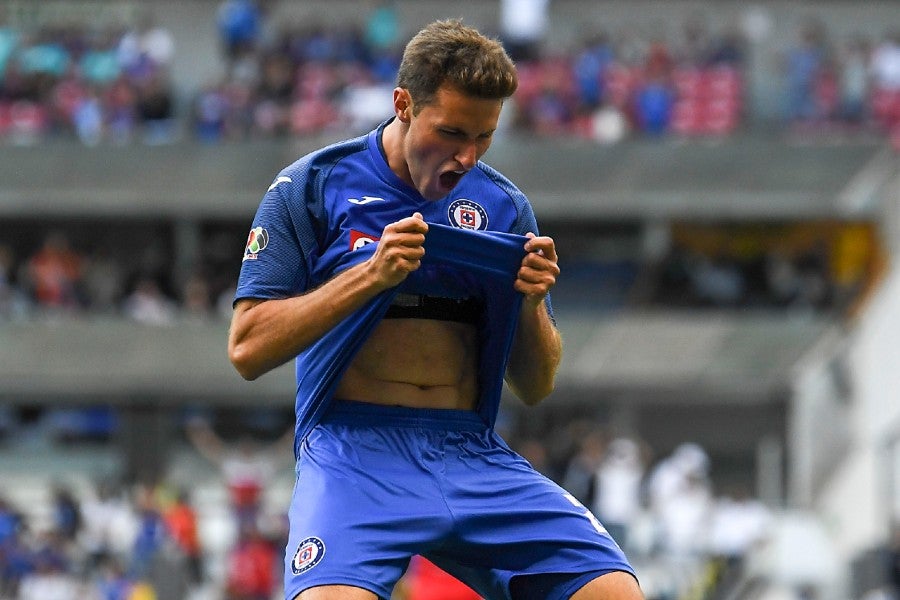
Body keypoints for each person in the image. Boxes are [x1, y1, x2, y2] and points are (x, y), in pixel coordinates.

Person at [228, 19, 642, 600]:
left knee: (613, 592)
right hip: (354, 454)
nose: (466, 156)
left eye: (484, 137)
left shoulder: (503, 206)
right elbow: (246, 349)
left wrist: (530, 304)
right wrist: (371, 275)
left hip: (469, 451)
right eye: (450, 133)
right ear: (402, 104)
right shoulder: (311, 187)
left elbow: (537, 384)